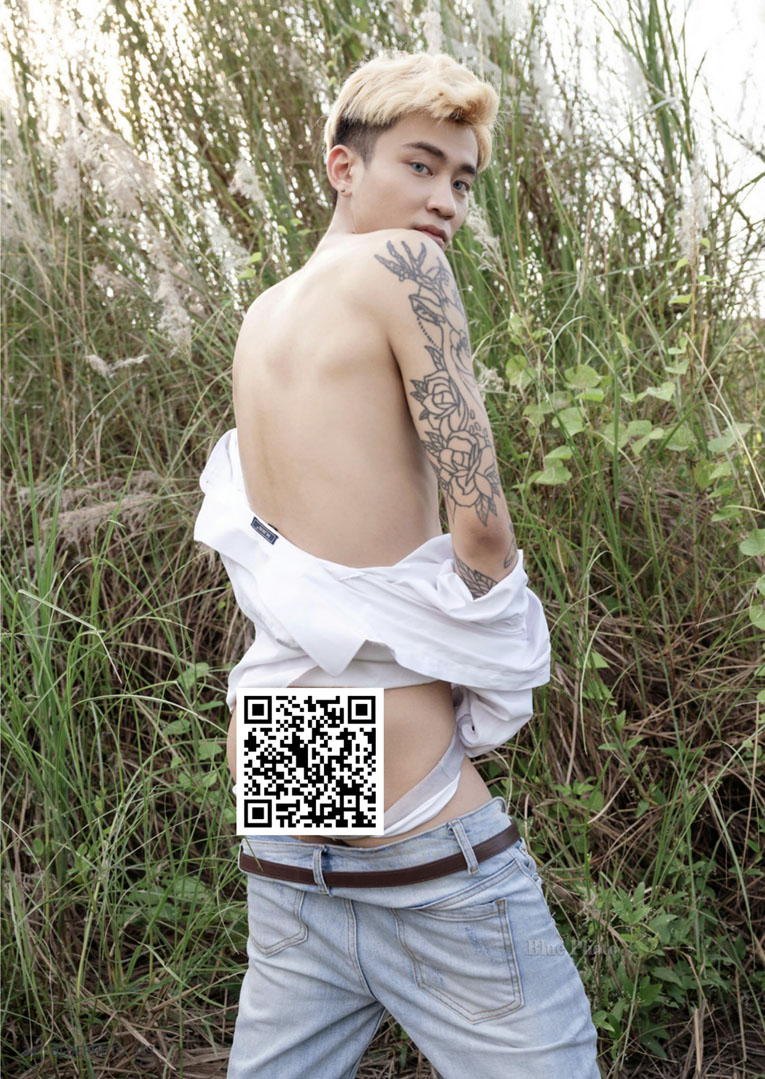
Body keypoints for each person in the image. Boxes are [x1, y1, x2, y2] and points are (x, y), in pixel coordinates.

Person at [195, 49, 601, 1079]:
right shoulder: (401, 270)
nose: (445, 201)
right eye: (420, 165)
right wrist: (495, 636)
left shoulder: (265, 312)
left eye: (462, 179)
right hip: (402, 789)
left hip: (283, 769)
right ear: (344, 165)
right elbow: (482, 527)